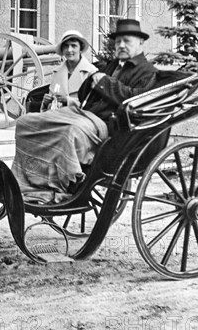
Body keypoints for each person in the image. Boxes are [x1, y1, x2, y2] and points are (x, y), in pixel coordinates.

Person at [11, 19, 158, 203]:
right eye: (118, 41)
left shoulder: (147, 72)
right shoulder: (113, 65)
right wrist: (92, 82)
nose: (121, 45)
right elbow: (86, 91)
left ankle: (67, 184)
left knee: (69, 133)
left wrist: (104, 83)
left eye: (126, 41)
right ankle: (27, 183)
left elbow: (136, 101)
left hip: (107, 124)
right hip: (84, 113)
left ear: (140, 43)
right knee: (27, 122)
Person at [40, 30, 98, 111]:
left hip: (81, 119)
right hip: (58, 118)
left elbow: (94, 104)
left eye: (73, 46)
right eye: (66, 46)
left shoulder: (92, 72)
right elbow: (51, 107)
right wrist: (46, 103)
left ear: (80, 49)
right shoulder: (57, 72)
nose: (69, 50)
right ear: (62, 50)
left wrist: (68, 100)